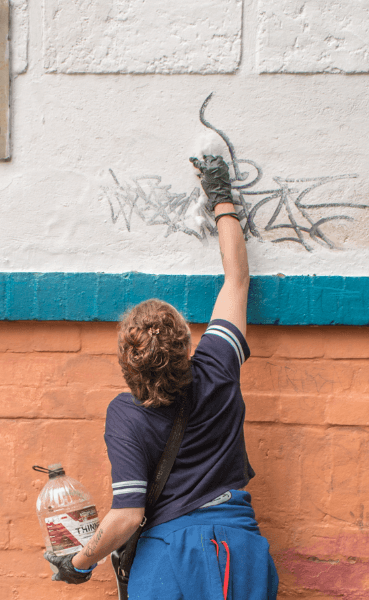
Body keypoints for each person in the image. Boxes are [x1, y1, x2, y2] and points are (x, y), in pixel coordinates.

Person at [45, 155, 279, 599]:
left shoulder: (126, 415)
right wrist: (221, 197)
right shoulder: (217, 365)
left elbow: (127, 516)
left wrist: (76, 563)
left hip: (170, 557)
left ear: (126, 363)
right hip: (237, 549)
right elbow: (237, 280)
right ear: (186, 344)